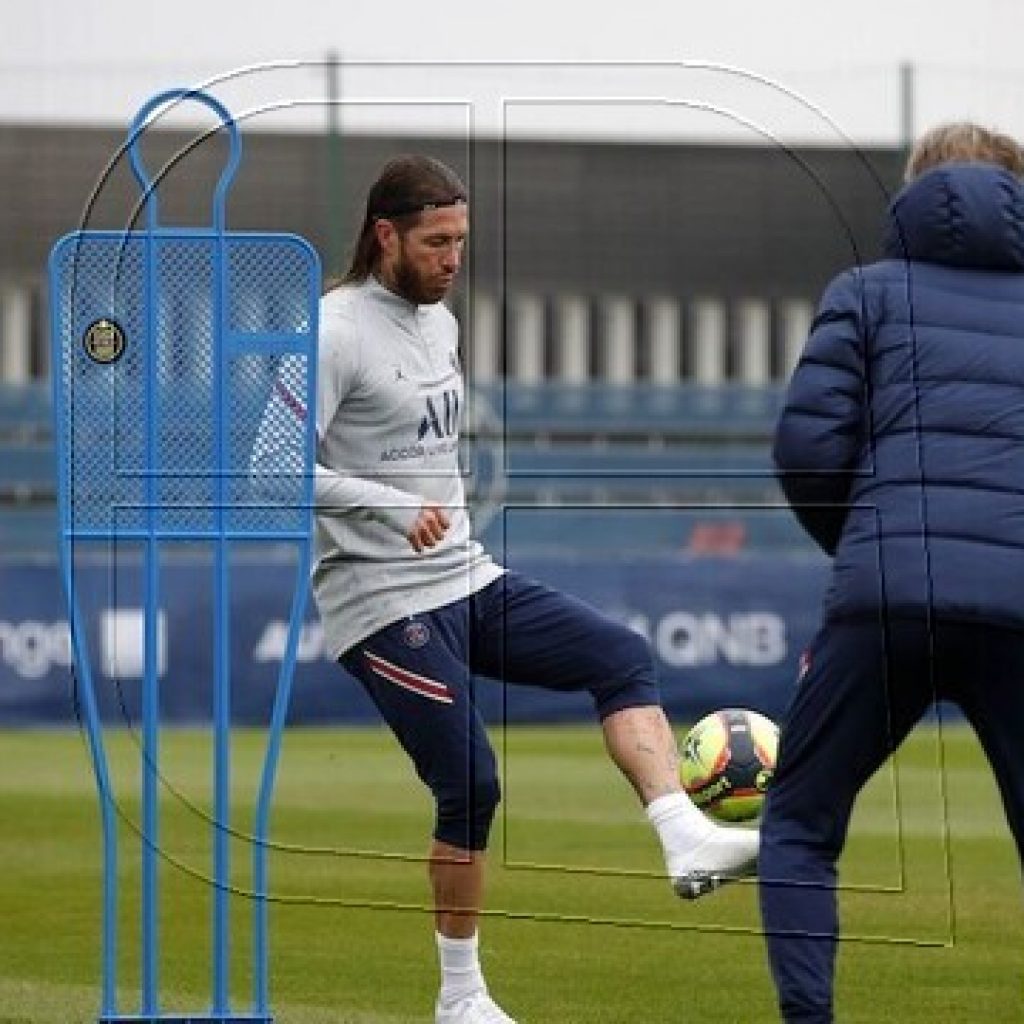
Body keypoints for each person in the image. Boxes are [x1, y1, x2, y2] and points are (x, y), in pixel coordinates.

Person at [257, 154, 759, 1024]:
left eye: (461, 241)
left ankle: (685, 840)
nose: (453, 259)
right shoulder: (330, 331)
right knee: (471, 783)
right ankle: (461, 999)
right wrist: (384, 504)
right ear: (387, 235)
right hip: (380, 605)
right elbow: (266, 472)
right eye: (436, 242)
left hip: (466, 577)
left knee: (621, 654)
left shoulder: (438, 326)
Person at [760, 122, 1024, 1023]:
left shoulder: (865, 294)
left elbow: (805, 448)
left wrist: (867, 544)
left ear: (911, 191)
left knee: (800, 823)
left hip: (885, 593)